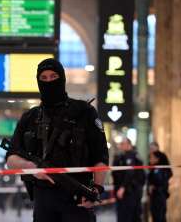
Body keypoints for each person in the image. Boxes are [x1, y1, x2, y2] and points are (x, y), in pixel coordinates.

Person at [6, 58, 109, 222]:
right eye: (44, 78)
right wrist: (31, 167)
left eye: (53, 76)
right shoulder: (30, 117)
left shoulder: (84, 112)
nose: (49, 81)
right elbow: (11, 158)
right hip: (43, 201)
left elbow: (101, 157)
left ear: (62, 78)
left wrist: (96, 188)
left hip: (78, 198)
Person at [112, 138, 146, 222]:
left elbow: (130, 173)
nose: (121, 146)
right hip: (125, 191)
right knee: (123, 214)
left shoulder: (132, 155)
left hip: (131, 191)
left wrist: (122, 188)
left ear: (129, 144)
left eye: (123, 144)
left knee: (130, 215)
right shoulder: (121, 156)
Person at [148, 151, 172, 222]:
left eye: (152, 158)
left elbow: (160, 181)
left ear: (157, 159)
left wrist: (153, 186)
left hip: (159, 196)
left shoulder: (160, 169)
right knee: (155, 216)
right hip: (155, 196)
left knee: (159, 216)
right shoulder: (153, 169)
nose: (150, 159)